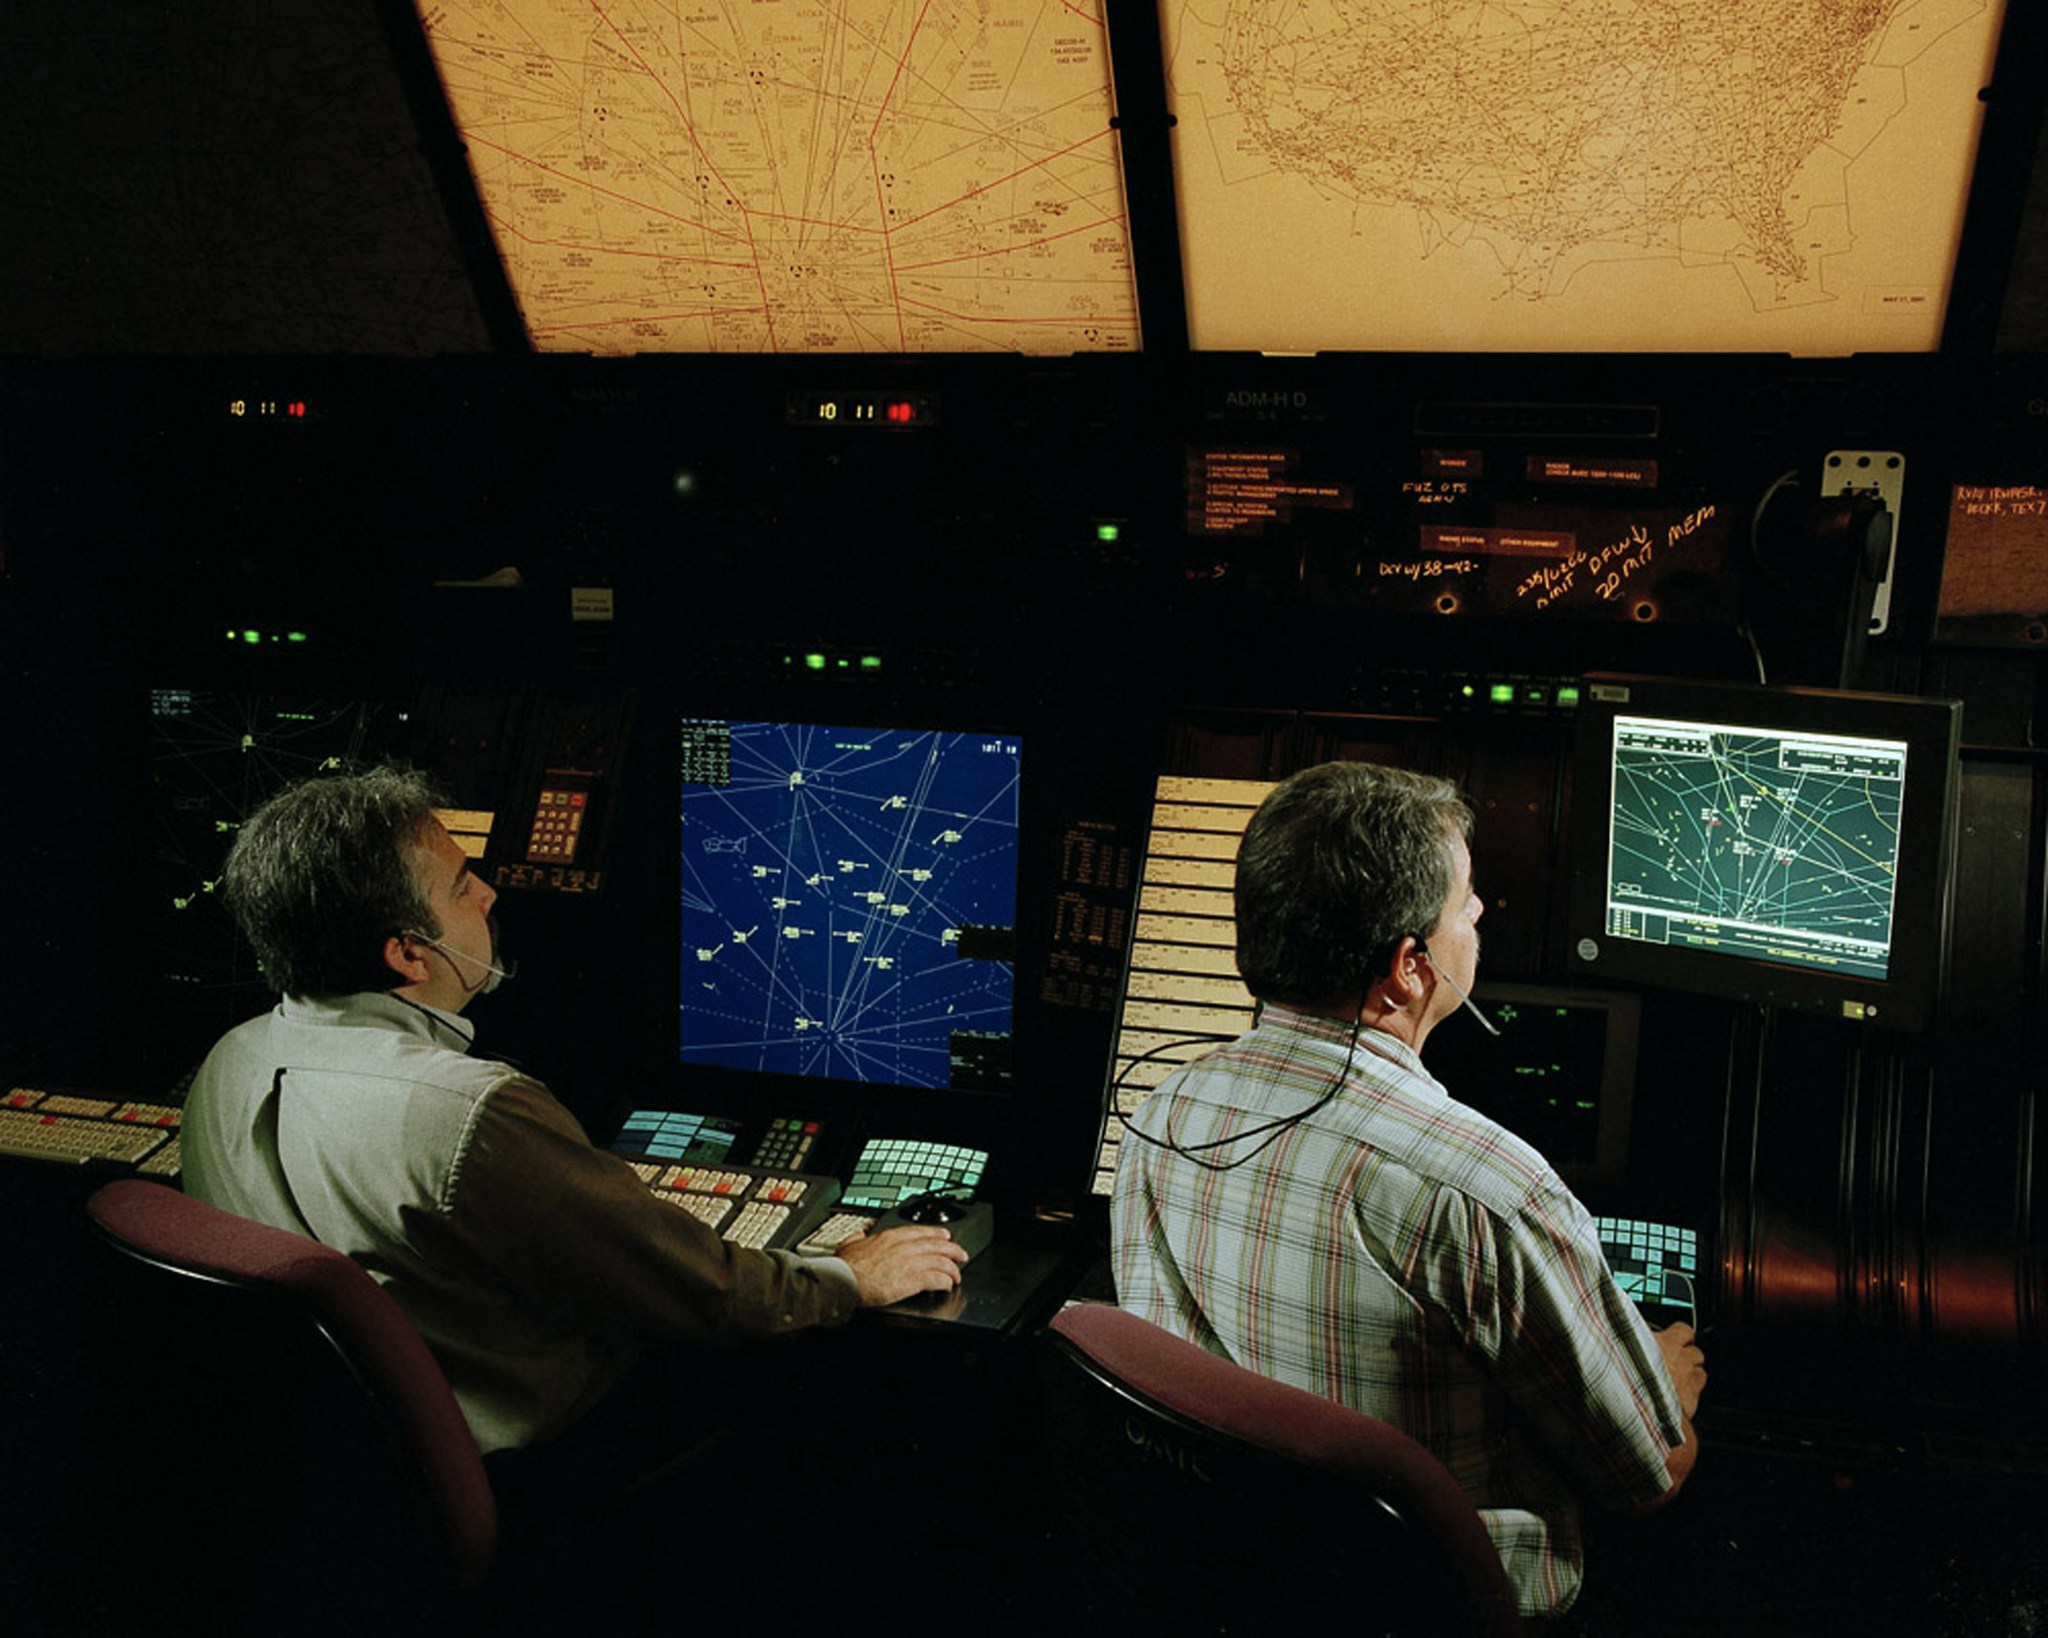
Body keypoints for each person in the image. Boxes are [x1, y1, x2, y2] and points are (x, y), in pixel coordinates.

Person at [181, 765, 968, 1466]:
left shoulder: (227, 1063)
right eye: (460, 885)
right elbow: (704, 1290)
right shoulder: (469, 1110)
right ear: (408, 955)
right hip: (539, 1460)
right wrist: (846, 1278)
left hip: (340, 1467)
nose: (488, 892)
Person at [1110, 761, 1705, 1623]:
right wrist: (1668, 1391)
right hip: (1437, 1606)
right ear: (1407, 968)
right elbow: (1644, 1479)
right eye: (1464, 897)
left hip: (1245, 1586)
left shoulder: (1160, 1117)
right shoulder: (1485, 1189)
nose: (1479, 912)